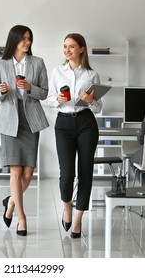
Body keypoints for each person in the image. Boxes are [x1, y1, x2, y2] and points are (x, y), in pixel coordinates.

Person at [0, 25, 49, 236]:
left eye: (29, 39)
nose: (27, 42)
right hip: (9, 121)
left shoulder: (38, 63)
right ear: (14, 40)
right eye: (23, 39)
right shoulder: (2, 64)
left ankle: (11, 203)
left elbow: (44, 93)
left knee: (28, 173)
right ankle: (22, 218)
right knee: (15, 171)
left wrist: (29, 88)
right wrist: (1, 90)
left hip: (30, 120)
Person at [45, 33, 102, 238]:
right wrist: (57, 99)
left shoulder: (91, 74)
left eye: (71, 47)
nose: (67, 50)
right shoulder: (57, 71)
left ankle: (78, 219)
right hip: (64, 123)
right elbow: (49, 100)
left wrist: (89, 100)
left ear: (81, 49)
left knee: (85, 172)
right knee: (67, 173)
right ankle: (67, 206)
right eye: (65, 47)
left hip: (87, 123)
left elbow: (98, 108)